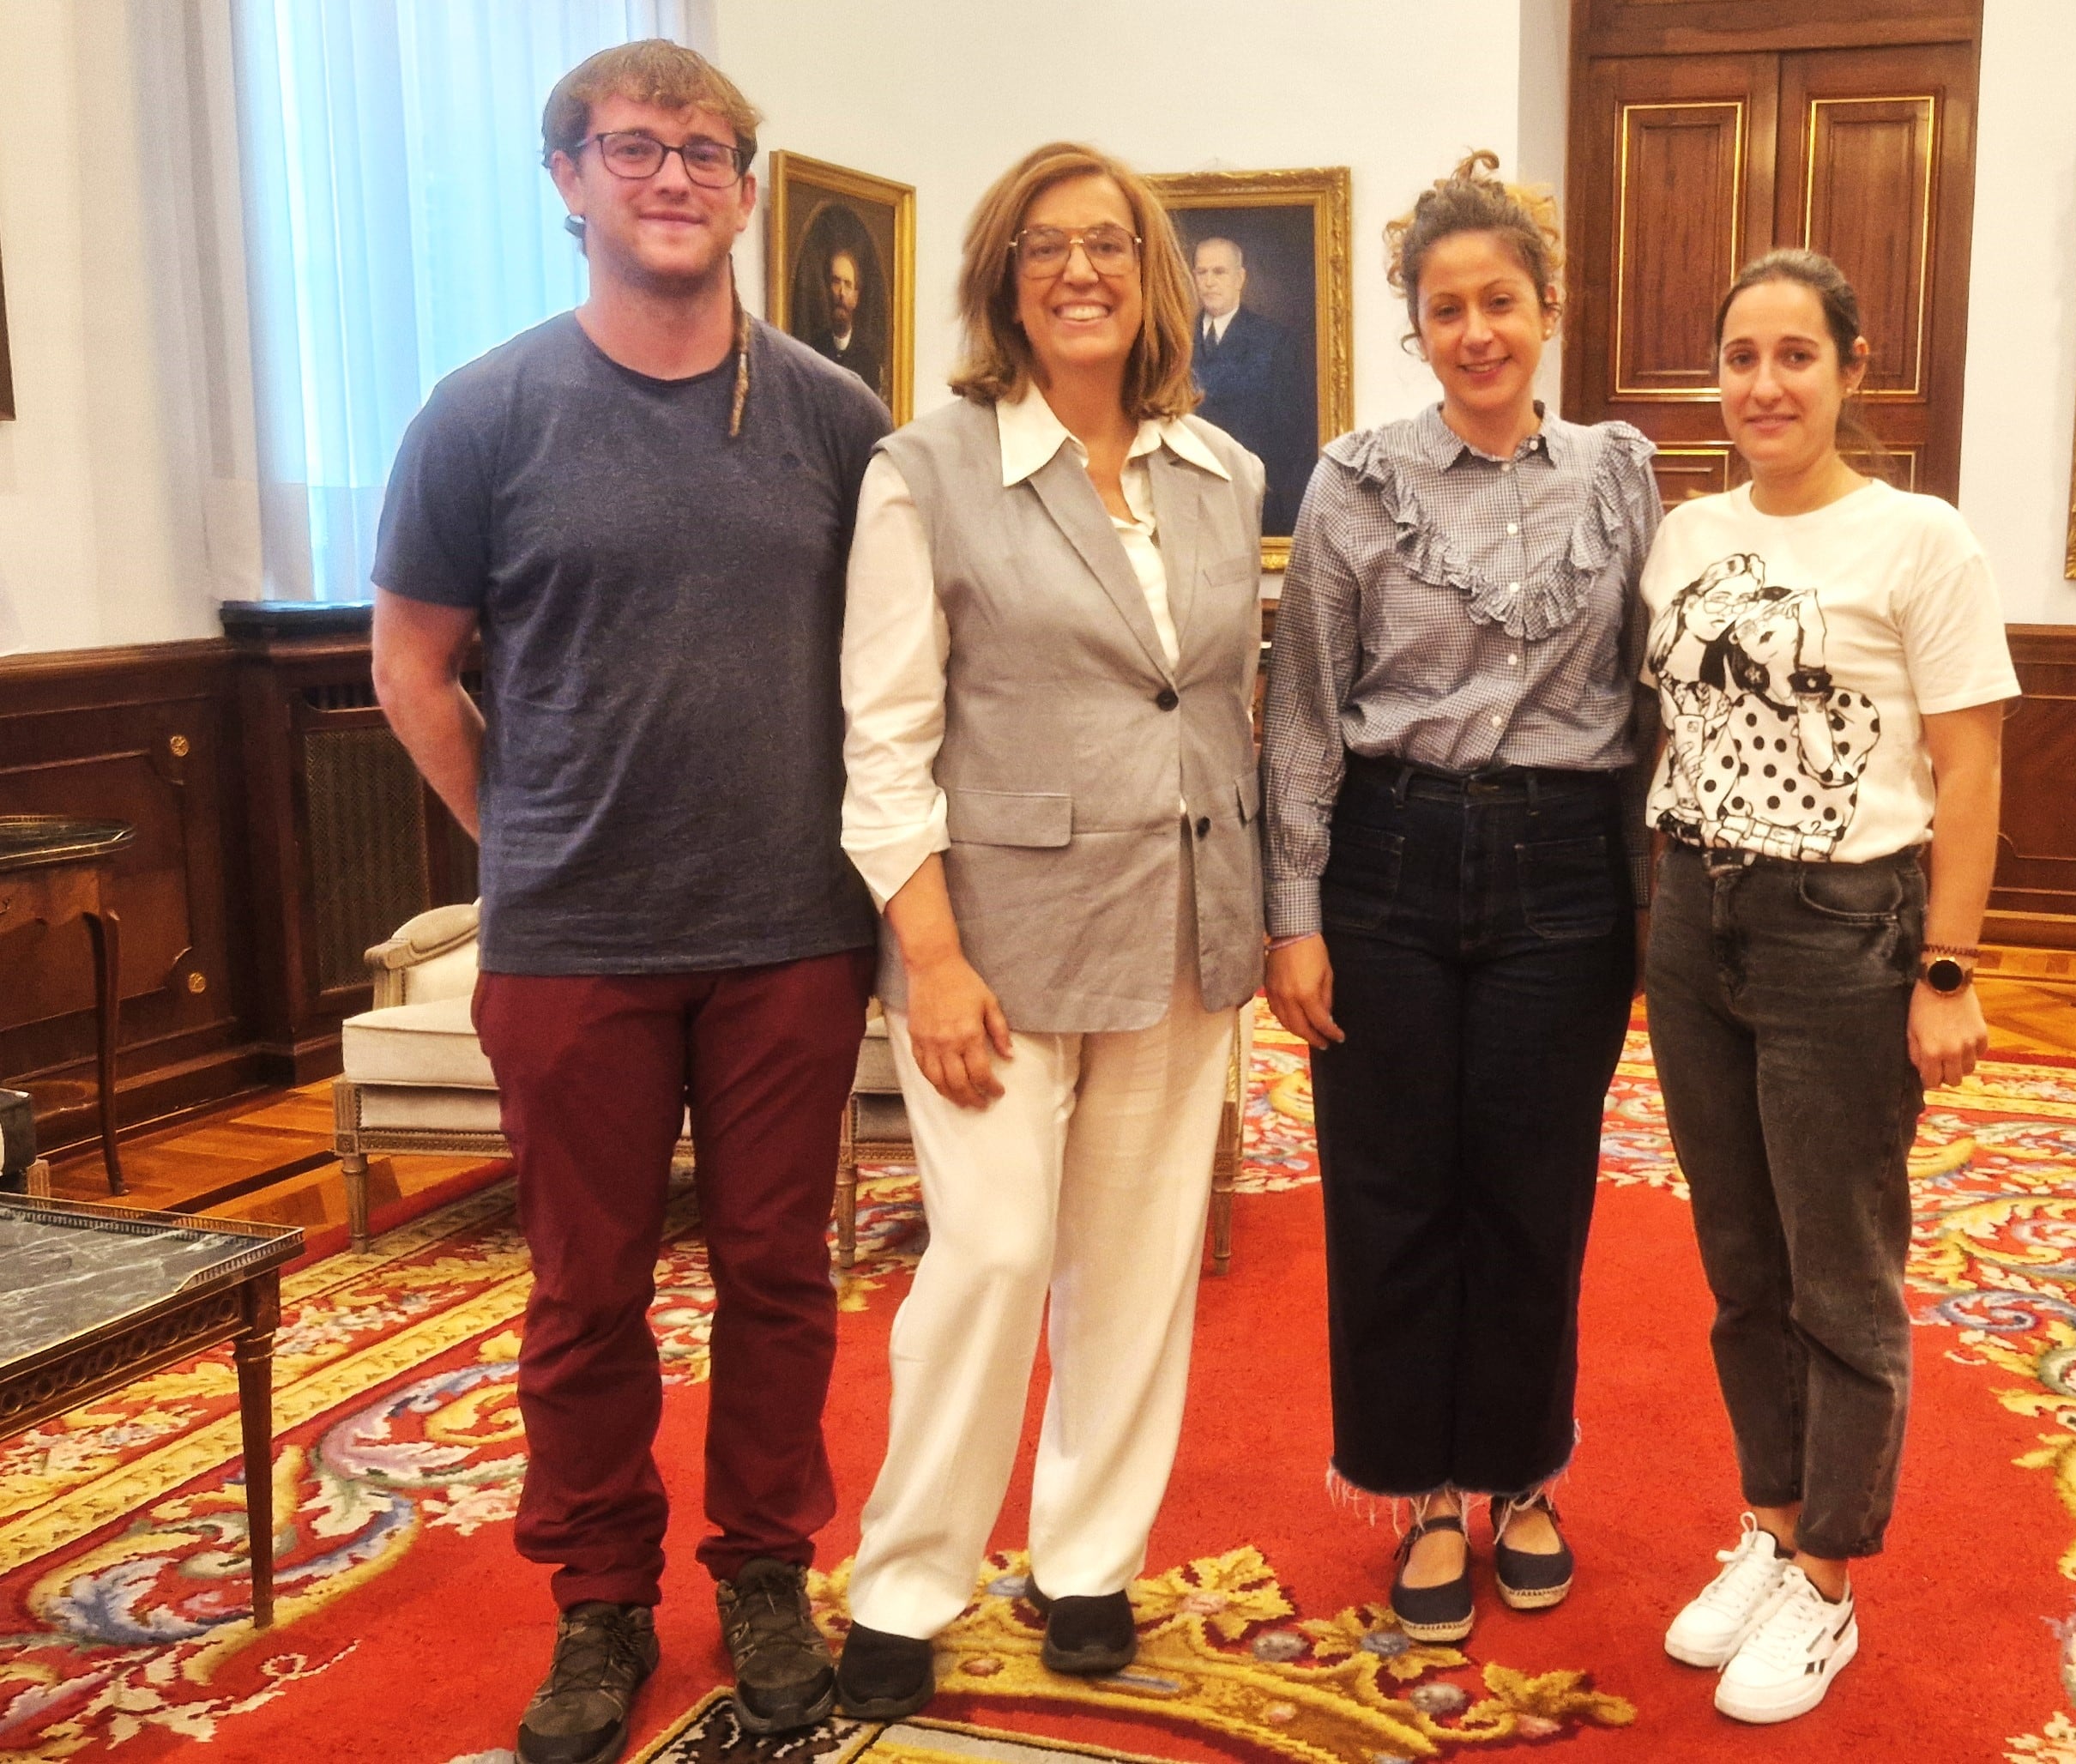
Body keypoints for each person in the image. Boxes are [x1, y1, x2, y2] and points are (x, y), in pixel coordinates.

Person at [370, 40, 890, 1764]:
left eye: (707, 151)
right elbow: (412, 664)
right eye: (635, 149)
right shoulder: (483, 412)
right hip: (572, 938)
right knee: (582, 1290)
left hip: (790, 931)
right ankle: (598, 1599)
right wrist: (516, 833)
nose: (673, 177)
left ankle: (761, 1568)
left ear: (747, 184)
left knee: (776, 1274)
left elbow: (897, 669)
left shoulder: (831, 415)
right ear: (569, 181)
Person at [831, 142, 1265, 1719]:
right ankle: (906, 1575)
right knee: (996, 1253)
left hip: (1182, 929)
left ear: (1152, 275)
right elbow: (883, 738)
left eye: (1108, 246)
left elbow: (1222, 710)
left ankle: (1085, 1560)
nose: (1079, 272)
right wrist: (929, 954)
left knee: (1136, 1267)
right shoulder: (924, 469)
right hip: (992, 944)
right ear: (999, 280)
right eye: (1043, 248)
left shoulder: (1223, 474)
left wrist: (1268, 916)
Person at [1261, 152, 1660, 1644]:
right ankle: (1423, 1488)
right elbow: (1301, 709)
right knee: (1389, 1188)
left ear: (1547, 308)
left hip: (1563, 870)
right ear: (1413, 326)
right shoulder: (1353, 480)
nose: (1475, 330)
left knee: (1531, 1186)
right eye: (1445, 308)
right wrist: (1291, 914)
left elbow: (1649, 691)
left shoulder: (1621, 472)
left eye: (1500, 300)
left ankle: (1521, 1476)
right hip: (1387, 859)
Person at [1641, 249, 2015, 1725]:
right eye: (1739, 357)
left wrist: (1946, 968)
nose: (1763, 385)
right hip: (1695, 920)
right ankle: (1772, 1523)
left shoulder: (1919, 541)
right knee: (1739, 1261)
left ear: (1850, 371)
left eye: (1795, 355)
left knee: (1838, 1270)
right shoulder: (1682, 538)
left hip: (1842, 934)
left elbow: (1971, 765)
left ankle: (1832, 1583)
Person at [1190, 236, 1318, 533]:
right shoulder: (1175, 341)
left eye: (1219, 272)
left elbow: (1291, 435)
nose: (1209, 282)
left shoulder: (1274, 341)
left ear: (1240, 278)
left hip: (1253, 498)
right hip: (1189, 500)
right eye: (1202, 272)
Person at [800, 205, 890, 402]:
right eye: (836, 281)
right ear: (828, 288)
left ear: (856, 297)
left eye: (848, 284)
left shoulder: (869, 362)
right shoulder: (812, 352)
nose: (841, 292)